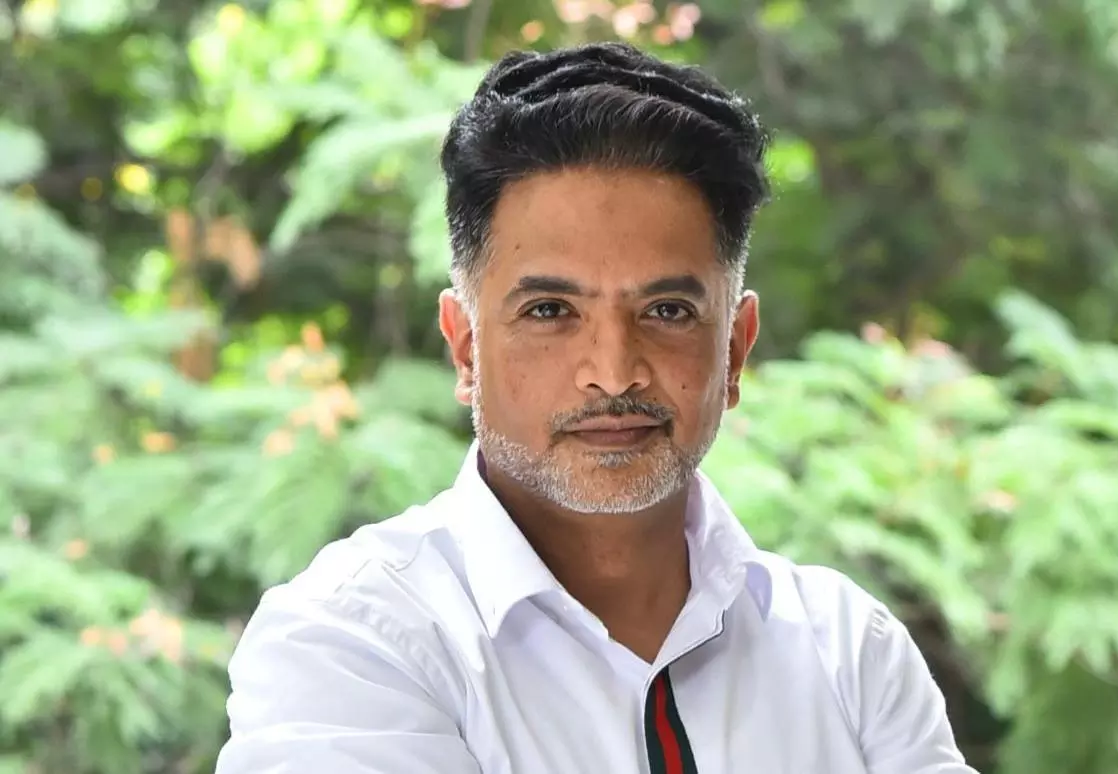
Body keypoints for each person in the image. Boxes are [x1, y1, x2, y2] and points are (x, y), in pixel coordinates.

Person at [215, 41, 977, 774]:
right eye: (550, 311)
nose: (613, 372)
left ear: (736, 347)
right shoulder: (355, 640)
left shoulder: (850, 654)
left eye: (668, 311)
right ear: (466, 348)